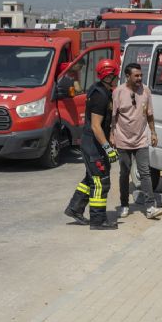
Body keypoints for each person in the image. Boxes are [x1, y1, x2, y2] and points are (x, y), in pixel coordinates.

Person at [64, 58, 120, 230]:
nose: (117, 78)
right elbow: (96, 126)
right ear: (109, 76)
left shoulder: (100, 90)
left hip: (92, 143)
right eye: (115, 75)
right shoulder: (100, 96)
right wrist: (108, 148)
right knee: (100, 181)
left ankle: (75, 208)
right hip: (93, 145)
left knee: (91, 177)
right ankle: (98, 221)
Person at [110, 63, 162, 220]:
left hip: (141, 139)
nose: (140, 78)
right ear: (128, 76)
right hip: (123, 140)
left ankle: (150, 207)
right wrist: (112, 134)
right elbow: (113, 117)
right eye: (136, 76)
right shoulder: (118, 92)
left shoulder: (146, 90)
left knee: (145, 172)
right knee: (124, 173)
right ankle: (124, 204)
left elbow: (150, 114)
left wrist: (153, 132)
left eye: (141, 75)